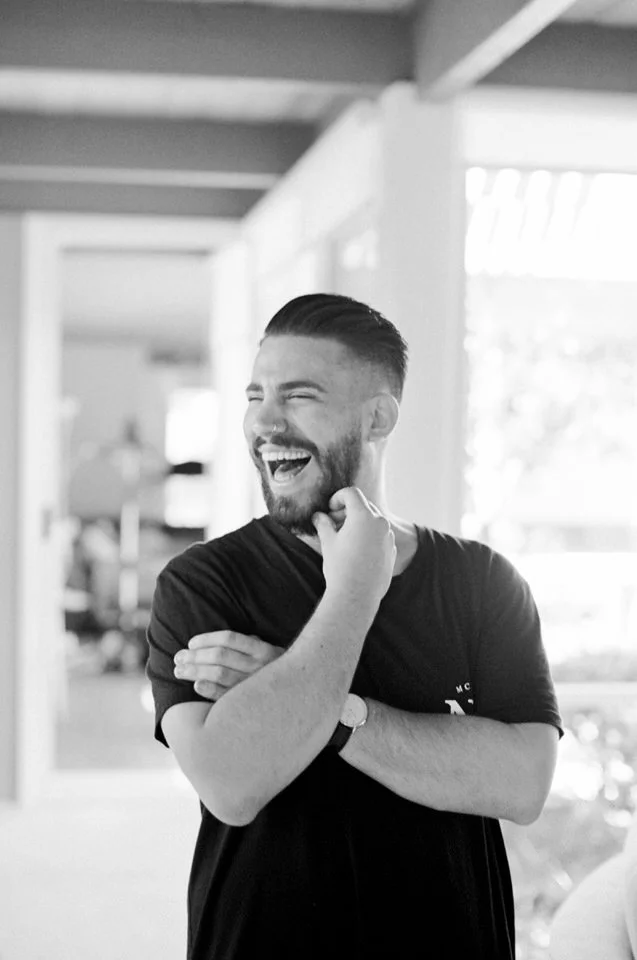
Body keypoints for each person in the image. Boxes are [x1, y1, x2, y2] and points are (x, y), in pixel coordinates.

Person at [147, 293, 562, 960]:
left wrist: (327, 711)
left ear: (377, 417)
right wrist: (354, 593)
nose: (265, 422)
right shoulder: (203, 583)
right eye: (256, 395)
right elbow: (230, 783)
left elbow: (520, 784)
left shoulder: (483, 581)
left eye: (299, 396)